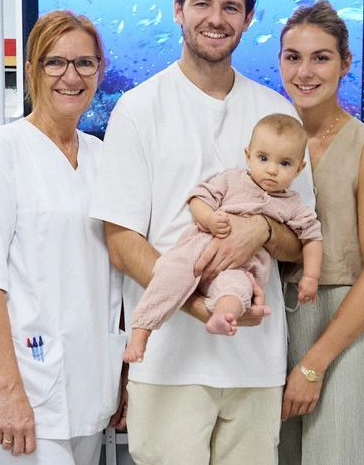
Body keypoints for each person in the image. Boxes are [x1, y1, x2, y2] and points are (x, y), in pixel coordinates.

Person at [92, 0, 313, 465]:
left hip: (254, 361)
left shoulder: (276, 113)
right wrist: (195, 305)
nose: (216, 18)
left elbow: (298, 237)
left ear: (247, 20)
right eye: (203, 4)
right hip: (170, 362)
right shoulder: (139, 109)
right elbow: (120, 240)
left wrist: (260, 234)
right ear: (178, 11)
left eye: (231, 8)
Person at [0, 10, 127, 465]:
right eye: (55, 62)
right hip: (25, 391)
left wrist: (119, 379)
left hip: (89, 387)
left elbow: (116, 277)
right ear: (31, 69)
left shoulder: (104, 158)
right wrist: (8, 394)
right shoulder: (0, 152)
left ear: (100, 70)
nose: (70, 76)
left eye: (83, 62)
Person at [264, 0, 364, 465]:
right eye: (293, 57)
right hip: (275, 324)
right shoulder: (272, 142)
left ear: (345, 63)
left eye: (321, 58)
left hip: (340, 331)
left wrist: (315, 364)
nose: (305, 71)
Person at [124, 113, 323, 363]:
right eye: (263, 158)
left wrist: (311, 276)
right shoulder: (232, 179)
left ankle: (221, 315)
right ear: (248, 156)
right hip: (197, 250)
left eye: (284, 164)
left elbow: (312, 237)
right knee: (171, 273)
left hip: (241, 268)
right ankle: (142, 330)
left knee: (237, 288)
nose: (272, 170)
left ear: (299, 169)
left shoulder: (292, 205)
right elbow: (198, 198)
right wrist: (208, 218)